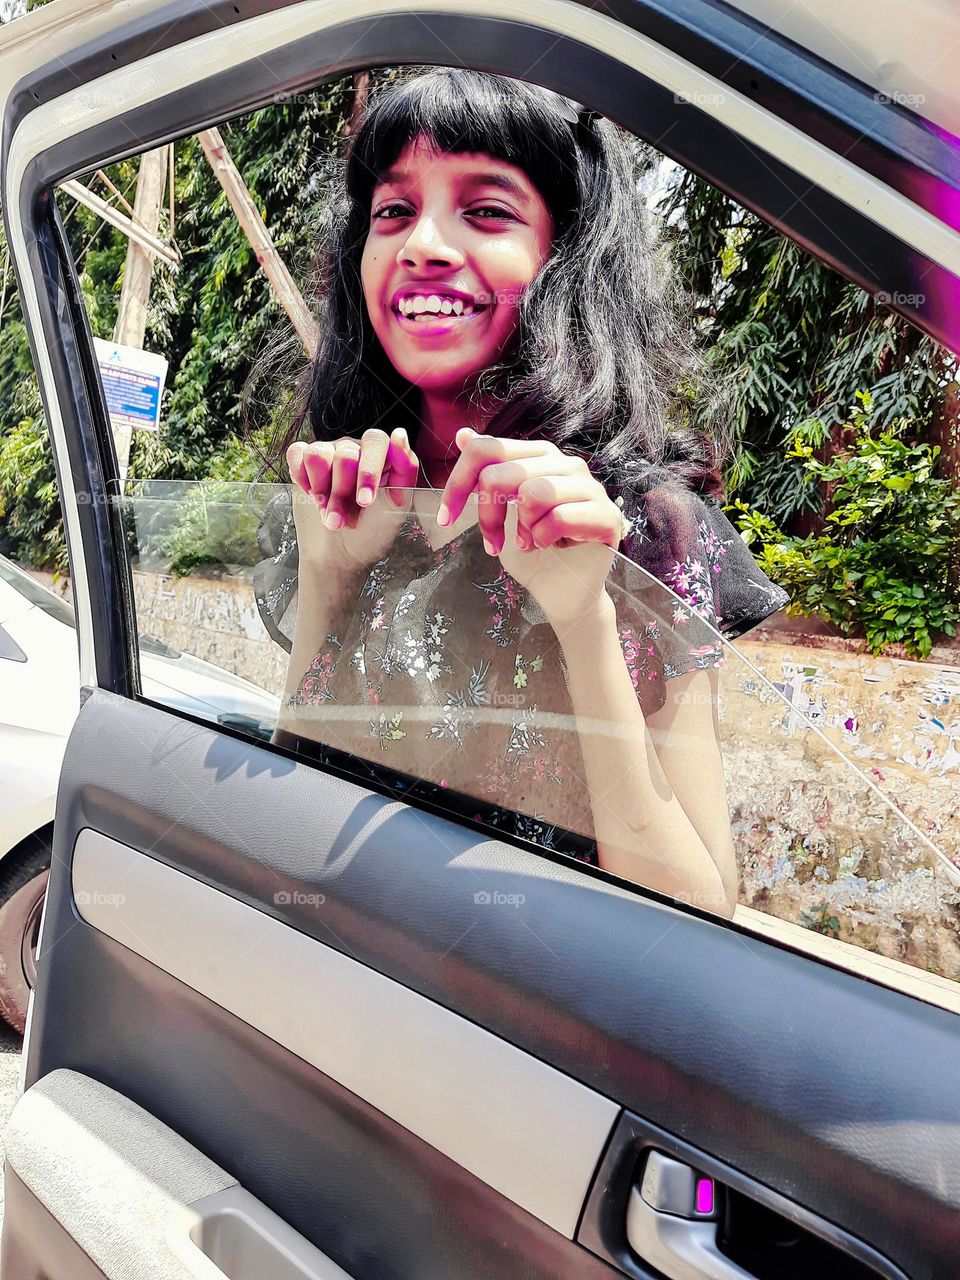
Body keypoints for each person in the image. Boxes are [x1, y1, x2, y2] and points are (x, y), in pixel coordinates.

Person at [250, 67, 789, 919]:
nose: (421, 243)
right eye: (392, 212)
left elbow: (696, 911)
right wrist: (330, 576)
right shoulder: (348, 500)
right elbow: (295, 813)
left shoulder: (653, 527)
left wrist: (586, 616)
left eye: (487, 209)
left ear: (563, 255)